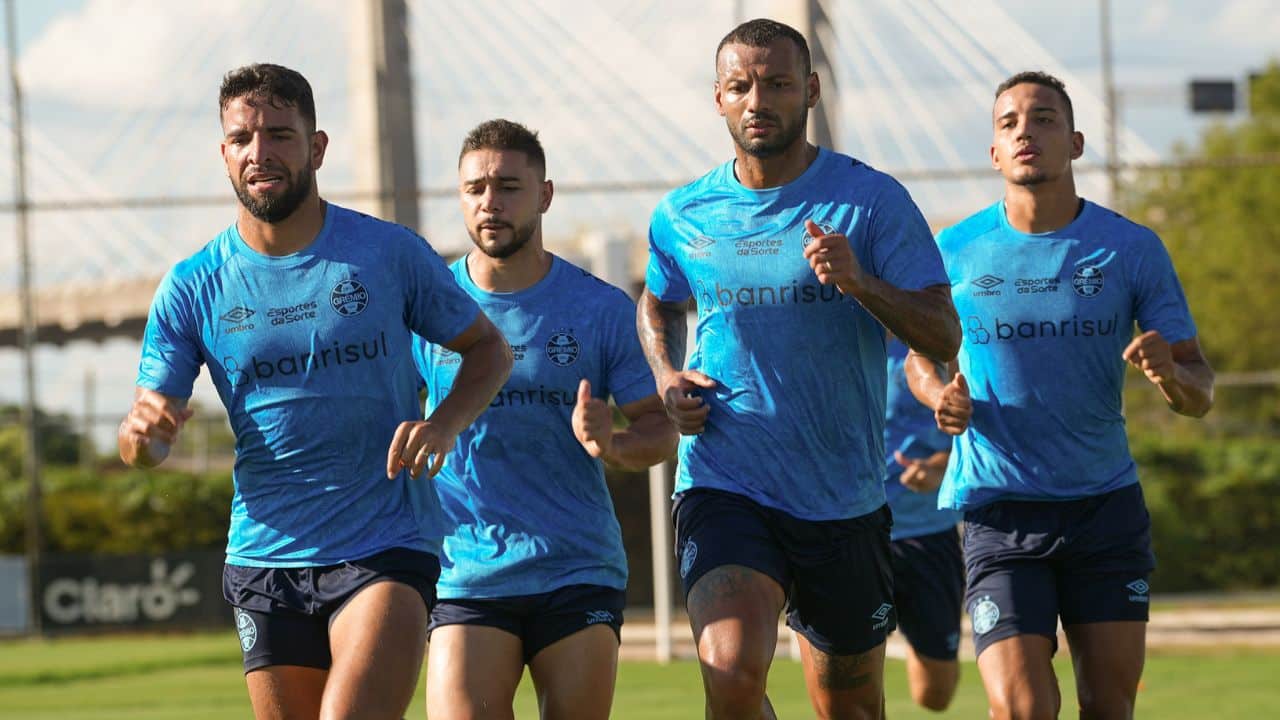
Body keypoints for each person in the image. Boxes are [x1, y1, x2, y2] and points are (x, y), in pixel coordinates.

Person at [117, 63, 512, 720]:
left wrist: (443, 425)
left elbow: (489, 351)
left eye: (279, 134)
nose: (260, 153)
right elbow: (145, 438)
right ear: (224, 154)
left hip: (384, 542)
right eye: (243, 138)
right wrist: (141, 438)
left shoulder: (387, 254)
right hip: (262, 557)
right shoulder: (192, 286)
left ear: (317, 147)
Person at [636, 18, 961, 720]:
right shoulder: (683, 213)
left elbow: (944, 330)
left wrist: (863, 285)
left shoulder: (871, 202)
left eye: (778, 83)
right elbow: (656, 305)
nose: (759, 100)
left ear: (810, 91)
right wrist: (666, 376)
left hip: (841, 499)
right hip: (726, 481)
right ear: (717, 98)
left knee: (850, 706)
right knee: (729, 674)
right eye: (740, 86)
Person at [906, 71, 1215, 720]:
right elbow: (918, 357)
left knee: (1108, 708)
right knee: (1022, 709)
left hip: (1104, 509)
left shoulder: (1131, 249)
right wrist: (940, 396)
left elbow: (1199, 393)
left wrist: (1169, 375)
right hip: (999, 512)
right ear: (994, 152)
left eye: (1043, 119)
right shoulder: (955, 251)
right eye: (1009, 123)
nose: (1026, 132)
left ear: (1075, 143)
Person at [416, 119, 678, 720]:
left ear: (545, 195)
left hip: (575, 564)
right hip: (465, 571)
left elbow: (659, 430)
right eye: (475, 188)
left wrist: (611, 443)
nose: (490, 201)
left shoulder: (601, 309)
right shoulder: (426, 307)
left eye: (508, 186)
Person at [881, 336, 963, 712]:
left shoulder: (947, 340)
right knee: (849, 688)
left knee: (935, 695)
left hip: (928, 533)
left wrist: (939, 467)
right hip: (856, 533)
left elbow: (984, 429)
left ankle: (913, 638)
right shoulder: (835, 339)